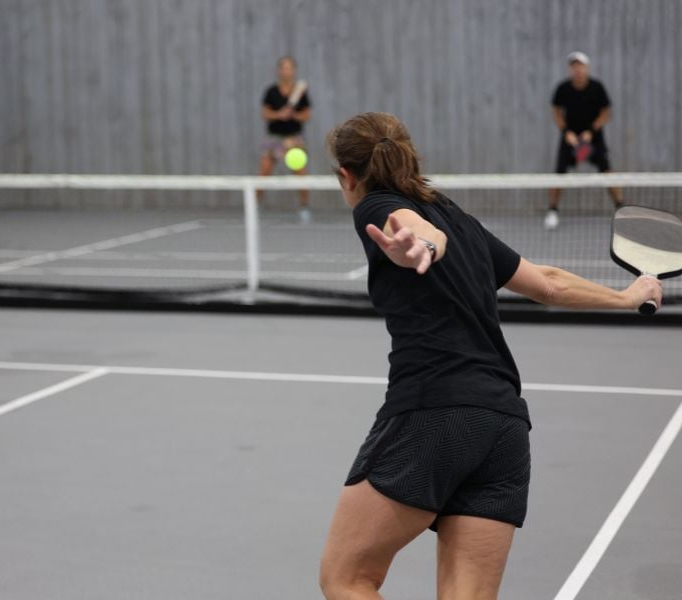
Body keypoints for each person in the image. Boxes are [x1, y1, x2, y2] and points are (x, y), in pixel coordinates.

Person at [319, 112, 660, 600]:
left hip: (432, 414)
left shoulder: (377, 207)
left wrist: (421, 245)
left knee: (346, 578)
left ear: (345, 175)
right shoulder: (461, 220)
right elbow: (548, 283)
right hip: (502, 430)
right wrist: (627, 296)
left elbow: (409, 226)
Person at [546, 51, 622, 230]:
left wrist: (591, 131)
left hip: (593, 139)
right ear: (570, 69)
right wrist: (566, 132)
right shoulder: (563, 88)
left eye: (580, 65)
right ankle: (552, 211)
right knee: (558, 175)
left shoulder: (597, 88)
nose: (577, 69)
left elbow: (605, 113)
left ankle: (621, 208)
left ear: (586, 68)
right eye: (574, 66)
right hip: (570, 139)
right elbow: (556, 111)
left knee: (607, 171)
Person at [258, 56, 312, 222]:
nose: (286, 71)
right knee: (264, 172)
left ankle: (304, 208)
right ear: (279, 70)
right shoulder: (271, 91)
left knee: (301, 174)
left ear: (293, 70)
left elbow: (307, 115)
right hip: (274, 138)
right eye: (283, 67)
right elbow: (265, 113)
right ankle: (255, 207)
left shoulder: (301, 91)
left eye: (289, 68)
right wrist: (278, 114)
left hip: (294, 139)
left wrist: (293, 114)